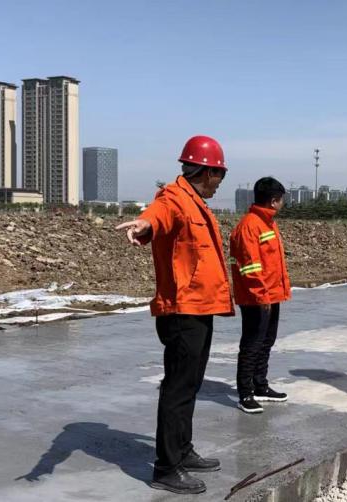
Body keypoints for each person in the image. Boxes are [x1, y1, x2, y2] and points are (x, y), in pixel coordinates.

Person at [116, 135, 233, 495]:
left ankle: (183, 450)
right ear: (208, 172)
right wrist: (143, 225)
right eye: (221, 175)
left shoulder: (196, 203)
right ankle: (167, 468)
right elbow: (158, 215)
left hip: (201, 307)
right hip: (183, 310)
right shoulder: (174, 198)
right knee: (178, 389)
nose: (220, 182)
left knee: (190, 385)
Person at [230, 177, 292, 414]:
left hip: (271, 295)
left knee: (266, 341)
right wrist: (261, 296)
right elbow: (250, 267)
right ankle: (245, 393)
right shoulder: (250, 225)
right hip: (256, 297)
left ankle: (260, 386)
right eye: (281, 199)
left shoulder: (268, 223)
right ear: (274, 201)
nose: (282, 203)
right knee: (252, 344)